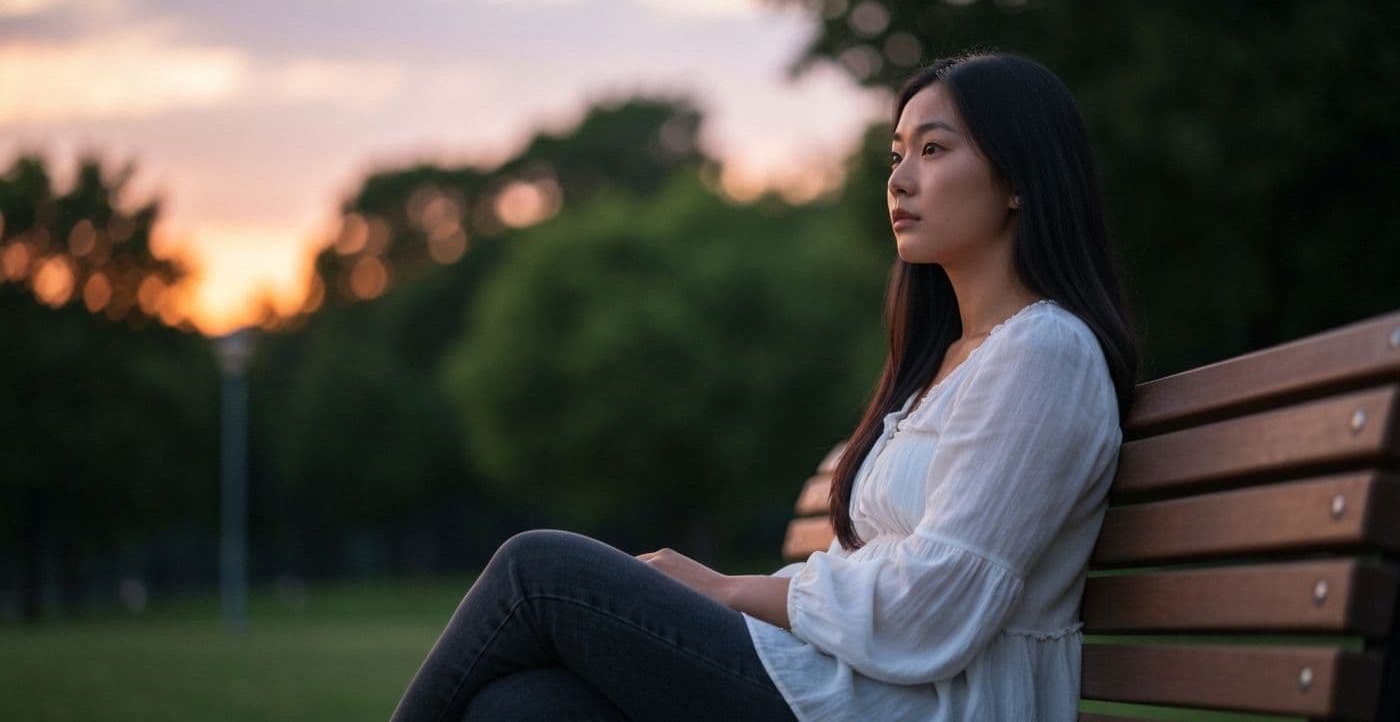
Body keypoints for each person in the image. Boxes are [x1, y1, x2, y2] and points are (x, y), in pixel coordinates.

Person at [389, 51, 1138, 722]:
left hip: (926, 702)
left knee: (538, 571)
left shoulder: (1045, 352)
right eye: (896, 154)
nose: (899, 179)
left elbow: (933, 605)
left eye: (934, 149)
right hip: (858, 683)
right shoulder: (947, 363)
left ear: (1018, 178)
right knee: (520, 706)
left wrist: (726, 591)